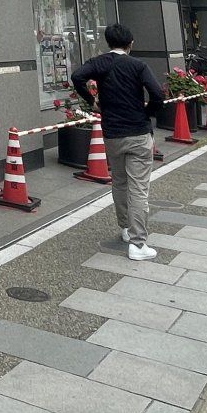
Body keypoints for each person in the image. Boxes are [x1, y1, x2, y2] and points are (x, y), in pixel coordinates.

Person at [72, 22, 166, 261]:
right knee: (139, 188)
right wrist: (147, 113)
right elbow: (157, 94)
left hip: (112, 133)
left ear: (108, 42)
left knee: (120, 182)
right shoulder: (137, 65)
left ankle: (125, 228)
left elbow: (77, 76)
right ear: (130, 43)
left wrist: (92, 101)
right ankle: (138, 243)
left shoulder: (100, 63)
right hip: (138, 132)